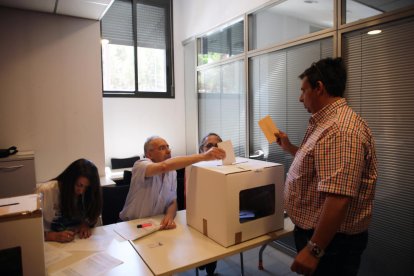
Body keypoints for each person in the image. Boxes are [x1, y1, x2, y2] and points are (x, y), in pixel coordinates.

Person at [275, 57, 377, 276]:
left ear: (319, 88)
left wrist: (313, 250)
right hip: (323, 238)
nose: (300, 98)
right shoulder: (326, 123)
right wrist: (289, 147)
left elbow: (338, 197)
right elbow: (318, 166)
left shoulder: (340, 129)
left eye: (303, 91)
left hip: (331, 244)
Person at [119, 136, 225, 230]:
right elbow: (163, 166)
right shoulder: (140, 165)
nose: (168, 151)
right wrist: (203, 156)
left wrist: (169, 217)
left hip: (155, 225)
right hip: (132, 226)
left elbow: (172, 201)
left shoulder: (172, 173)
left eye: (168, 147)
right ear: (149, 154)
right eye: (161, 148)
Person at [37, 158, 102, 243]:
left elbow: (93, 218)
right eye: (79, 185)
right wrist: (54, 236)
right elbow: (30, 232)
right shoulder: (45, 191)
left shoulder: (88, 194)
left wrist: (85, 224)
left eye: (87, 188)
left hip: (79, 243)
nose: (81, 191)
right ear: (69, 180)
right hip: (51, 246)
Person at [197, 133, 223, 275]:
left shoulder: (228, 167)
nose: (213, 149)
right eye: (209, 146)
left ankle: (210, 272)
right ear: (202, 149)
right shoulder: (194, 168)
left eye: (217, 145)